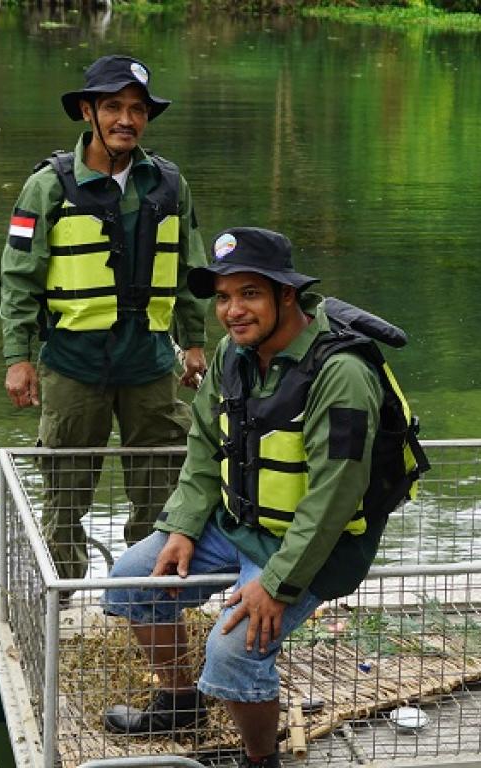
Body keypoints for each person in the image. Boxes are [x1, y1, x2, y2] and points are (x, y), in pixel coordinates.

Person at [99, 227, 424, 768]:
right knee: (135, 580)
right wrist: (180, 527)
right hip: (236, 524)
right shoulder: (232, 354)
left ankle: (259, 759)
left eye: (249, 293)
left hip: (316, 547)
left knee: (230, 652)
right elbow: (206, 444)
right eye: (223, 297)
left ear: (286, 295)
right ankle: (182, 703)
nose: (231, 311)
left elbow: (334, 497)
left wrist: (276, 585)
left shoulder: (340, 373)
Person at [0, 55, 209, 581]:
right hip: (73, 361)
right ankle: (62, 593)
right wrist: (17, 358)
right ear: (88, 112)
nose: (126, 120)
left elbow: (191, 270)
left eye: (137, 110)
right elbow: (20, 276)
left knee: (162, 477)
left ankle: (145, 587)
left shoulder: (169, 184)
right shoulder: (46, 187)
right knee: (65, 486)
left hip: (150, 359)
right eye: (113, 107)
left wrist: (196, 343)